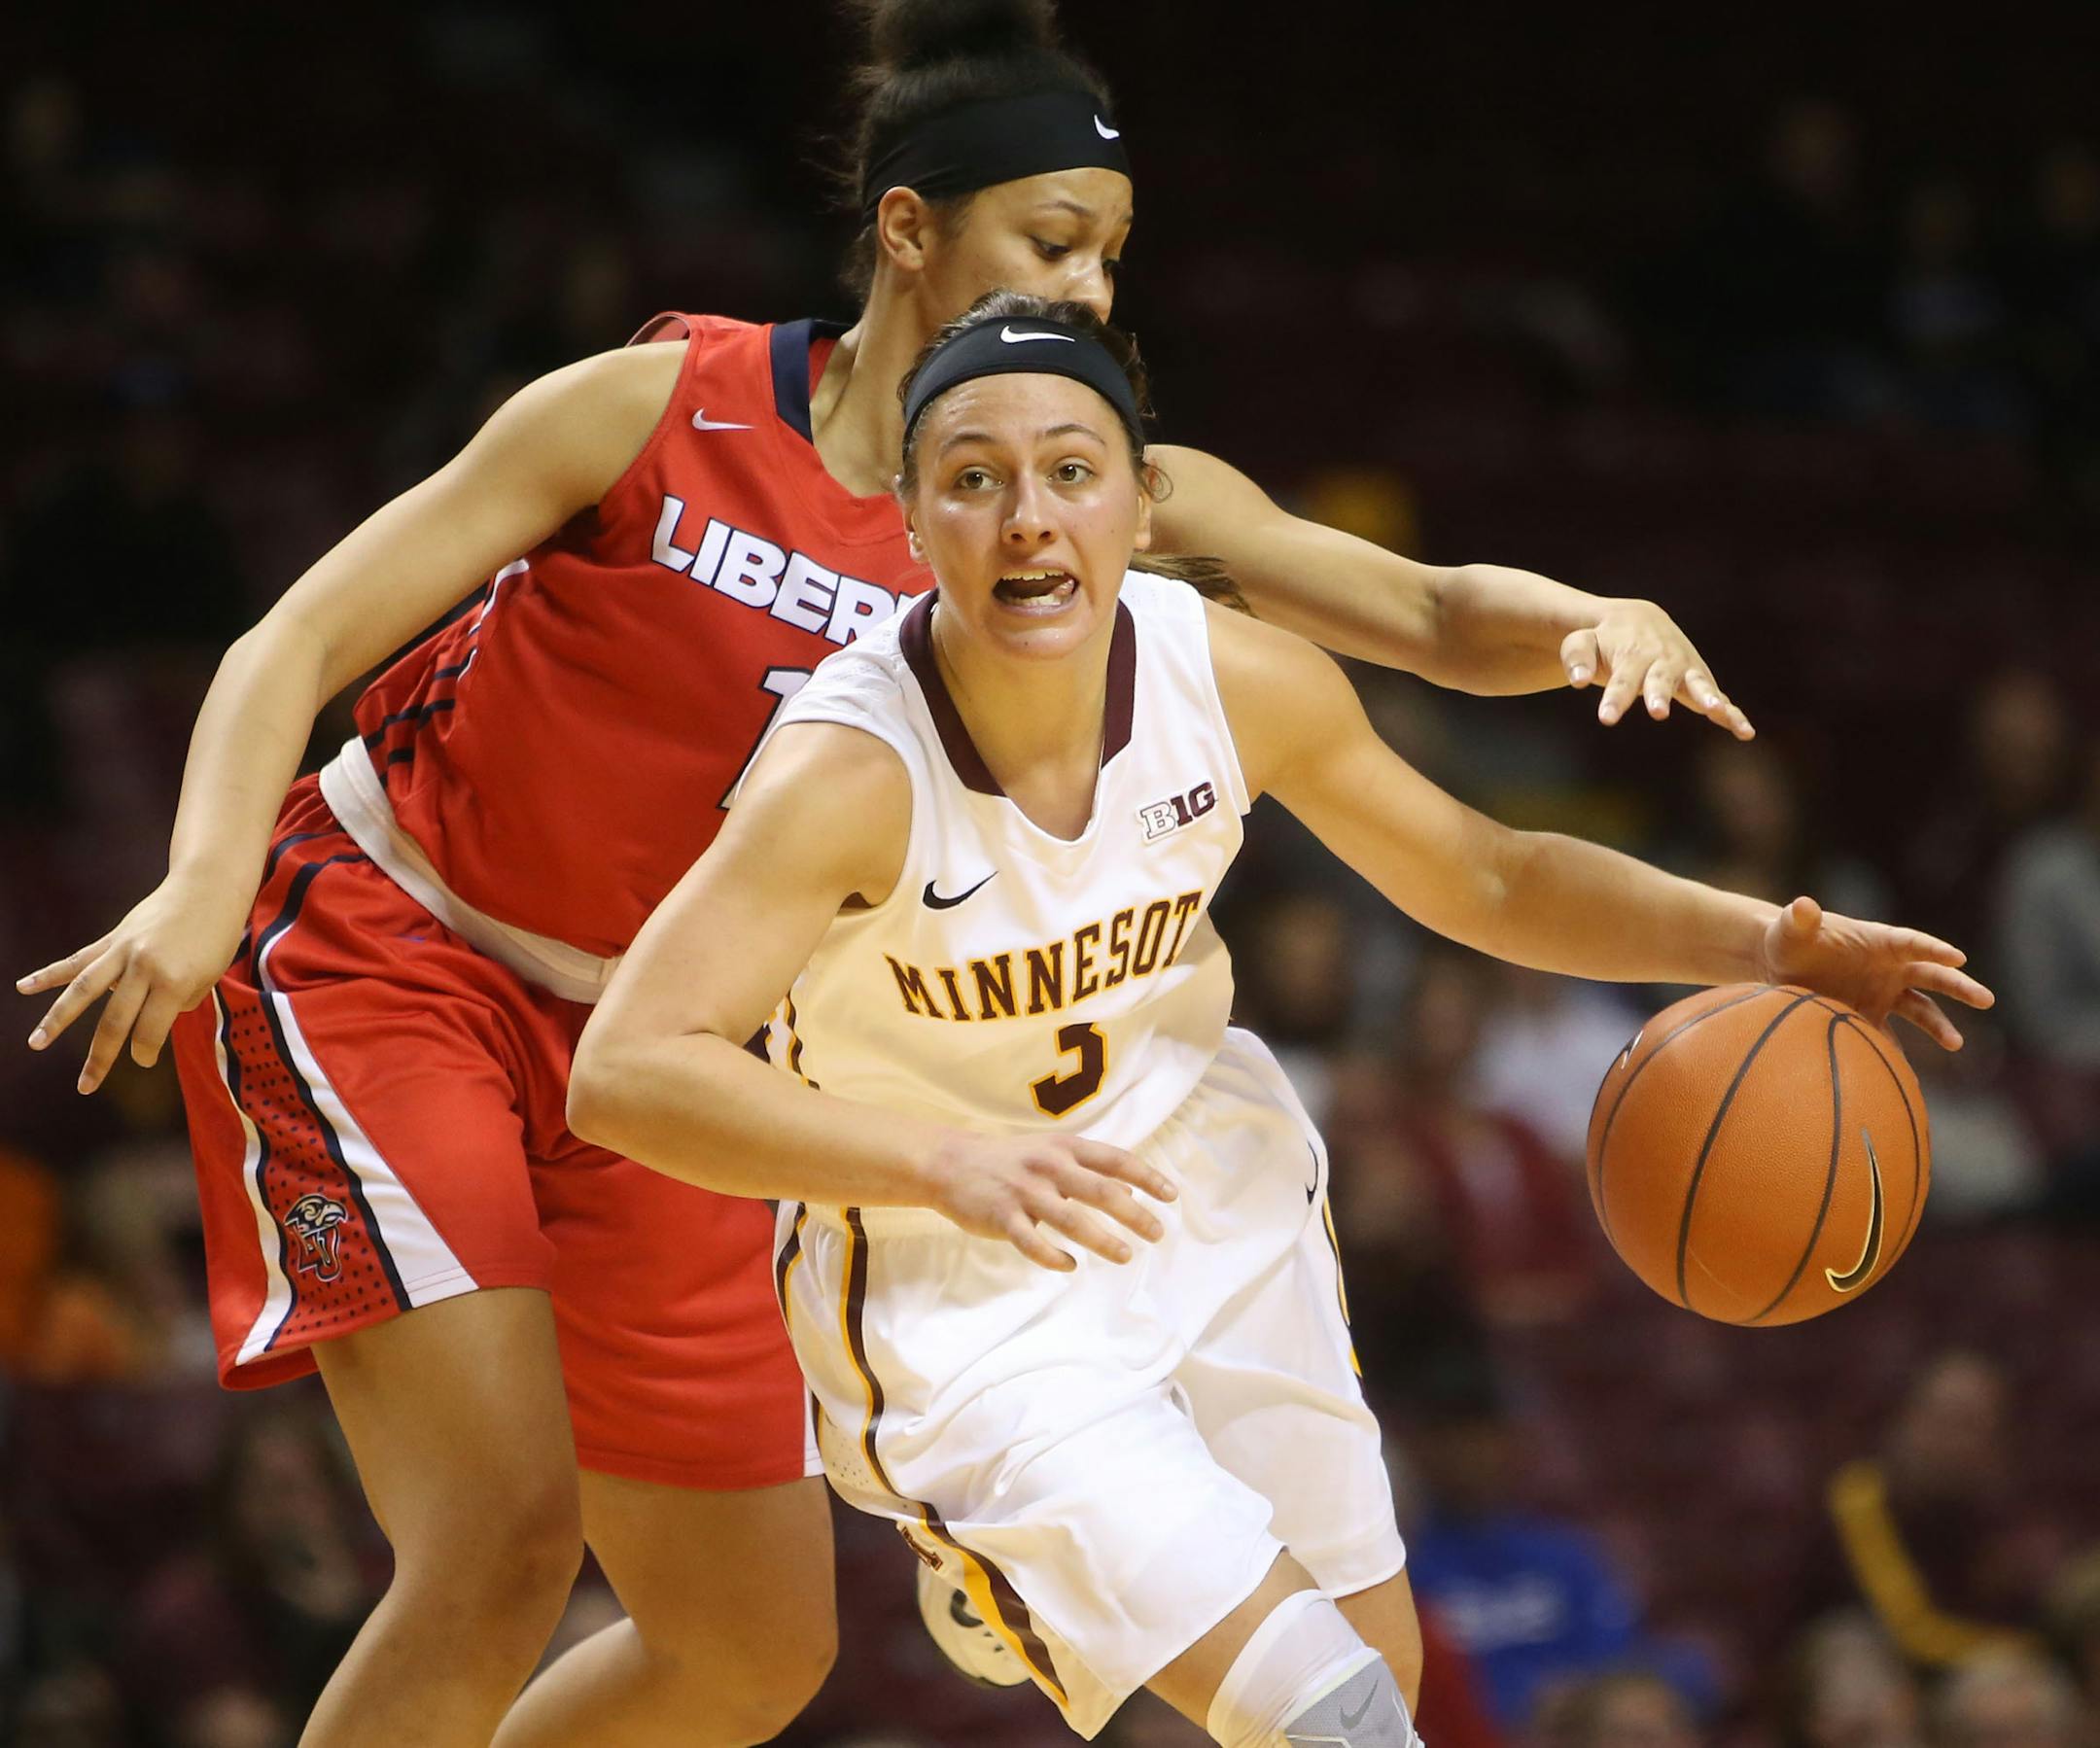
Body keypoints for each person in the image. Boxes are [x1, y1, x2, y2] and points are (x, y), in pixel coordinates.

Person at [18, 3, 1756, 1742]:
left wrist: (1589, 621)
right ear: (911, 230)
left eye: (1112, 255)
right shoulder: (656, 405)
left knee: (748, 1650)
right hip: (411, 954)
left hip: (690, 1062)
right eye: (1051, 240)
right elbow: (297, 631)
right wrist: (195, 881)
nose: (1087, 286)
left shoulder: (1094, 489)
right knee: (498, 1550)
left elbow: (1435, 613)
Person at [565, 293, 1990, 1745]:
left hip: (1208, 1188)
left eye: (1071, 470)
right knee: (1338, 1721)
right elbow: (625, 1070)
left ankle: (1037, 1569)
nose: (1028, 518)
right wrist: (942, 1161)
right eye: (975, 478)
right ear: (911, 519)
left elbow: (1486, 872)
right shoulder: (848, 770)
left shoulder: (1230, 679)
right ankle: (1011, 1529)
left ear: (1138, 497)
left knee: (1391, 1683)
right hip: (970, 1280)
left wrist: (1765, 944)